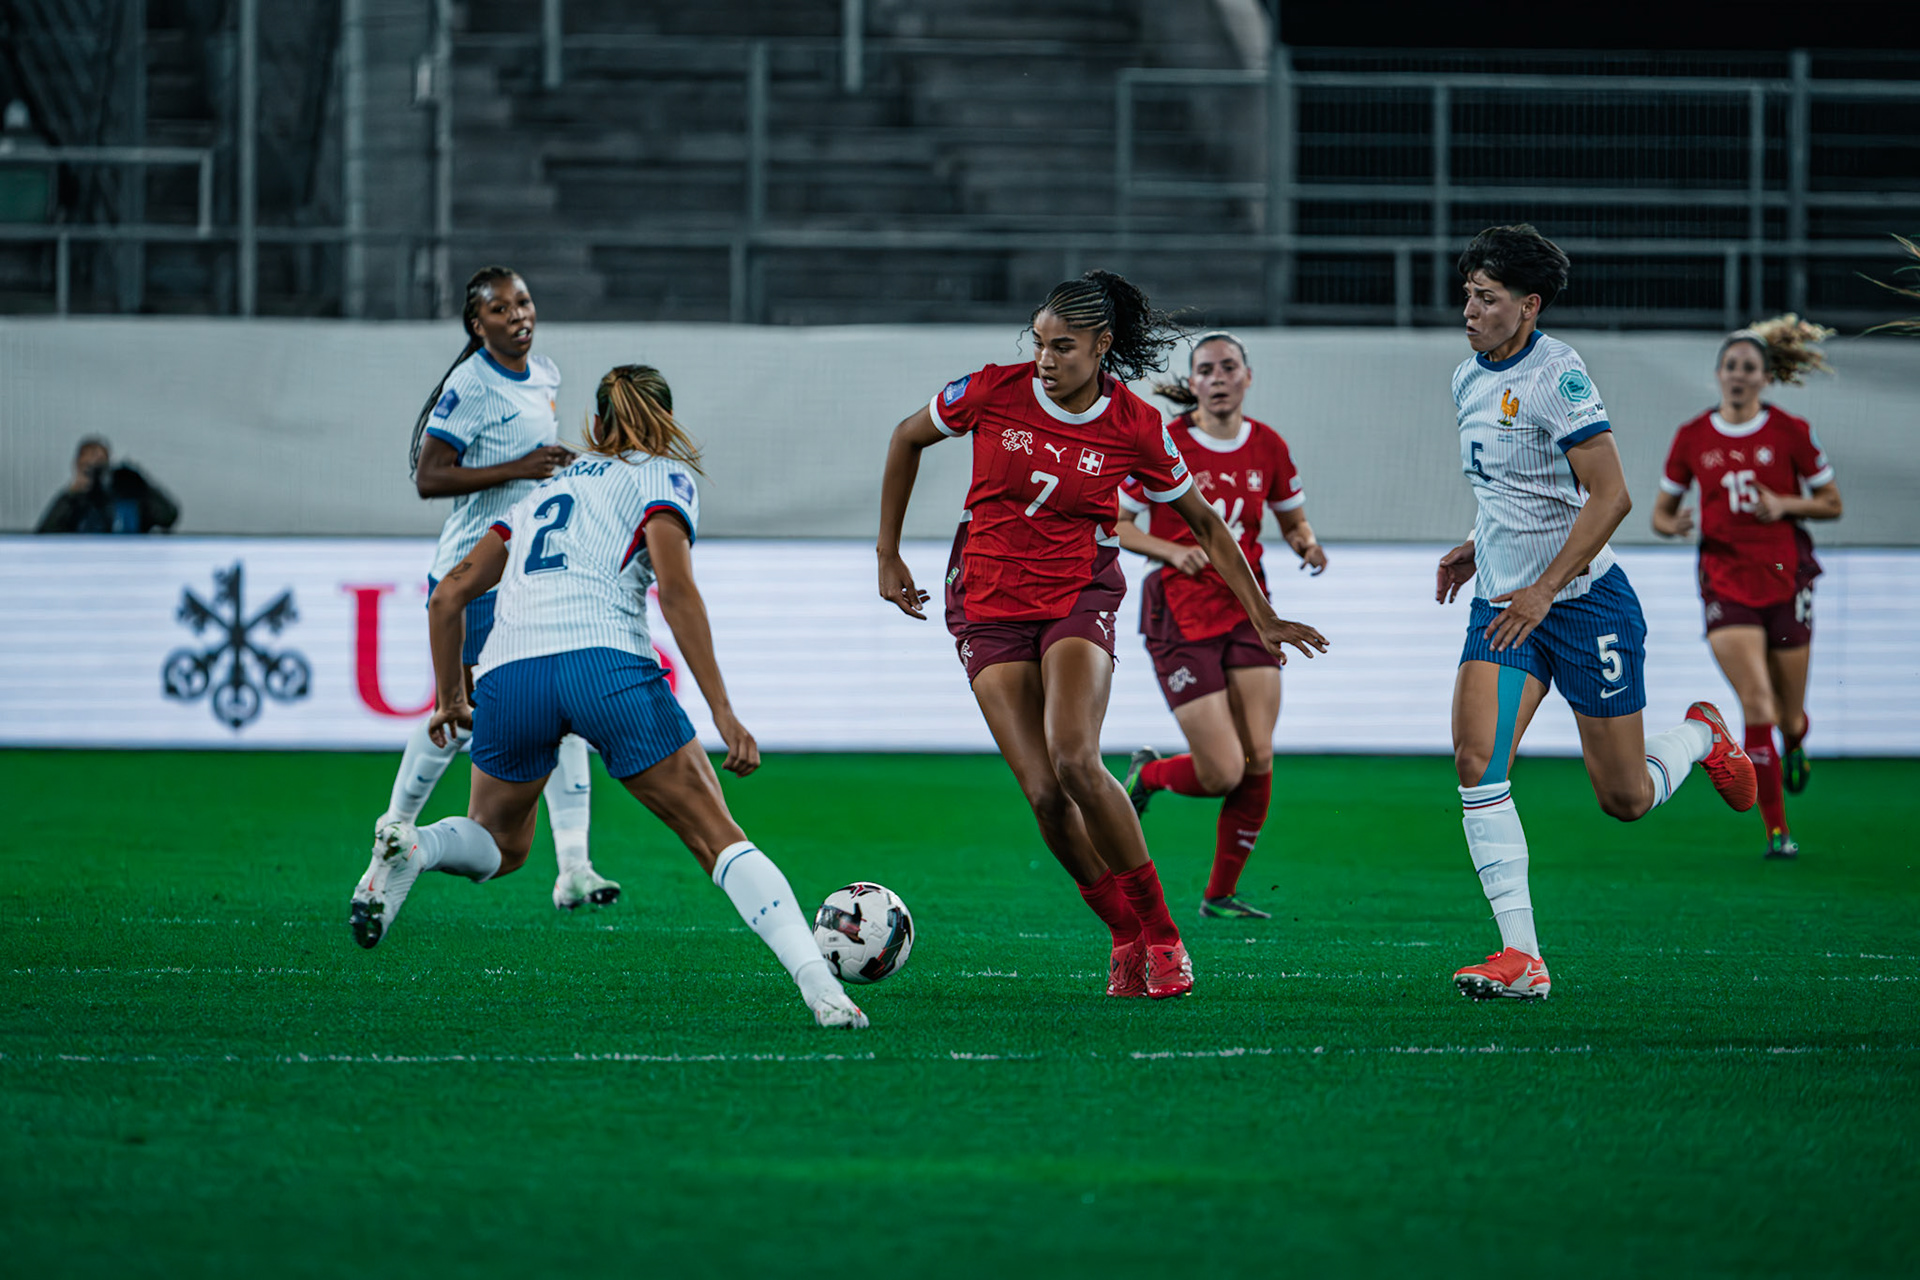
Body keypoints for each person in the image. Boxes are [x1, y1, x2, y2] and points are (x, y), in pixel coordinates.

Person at [348, 365, 868, 1029]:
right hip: (606, 665)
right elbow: (675, 591)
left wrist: (452, 696)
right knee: (717, 838)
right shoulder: (663, 476)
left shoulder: (539, 492)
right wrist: (724, 711)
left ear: (595, 426)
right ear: (666, 422)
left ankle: (417, 846)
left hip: (514, 676)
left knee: (498, 845)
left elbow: (450, 594)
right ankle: (821, 989)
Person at [875, 271, 1328, 1000]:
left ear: (1102, 346)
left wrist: (1263, 615)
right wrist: (887, 551)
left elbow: (1207, 525)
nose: (1045, 359)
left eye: (1063, 347)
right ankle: (1122, 933)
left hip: (1077, 594)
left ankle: (1164, 936)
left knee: (1077, 760)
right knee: (1046, 796)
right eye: (1039, 343)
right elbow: (906, 437)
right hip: (987, 600)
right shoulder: (992, 389)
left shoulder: (1134, 426)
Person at [1437, 224, 1757, 1002]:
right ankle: (1523, 957)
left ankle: (1702, 734)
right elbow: (1514, 490)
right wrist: (1476, 543)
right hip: (1504, 608)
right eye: (1469, 295)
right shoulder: (1466, 377)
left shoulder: (1560, 376)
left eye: (1486, 298)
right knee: (1478, 764)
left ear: (1529, 305)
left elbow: (1612, 497)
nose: (1470, 310)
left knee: (1625, 800)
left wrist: (1546, 588)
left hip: (1583, 606)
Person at [369, 265, 616, 913]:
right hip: (472, 578)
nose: (520, 316)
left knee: (554, 714)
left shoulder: (547, 374)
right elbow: (430, 477)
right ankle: (394, 827)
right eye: (502, 310)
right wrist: (523, 468)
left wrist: (552, 470)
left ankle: (574, 866)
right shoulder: (470, 384)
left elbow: (525, 466)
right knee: (465, 713)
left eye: (526, 302)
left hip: (525, 576)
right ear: (478, 325)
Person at [1113, 331, 1328, 920]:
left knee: (1258, 755)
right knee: (1221, 770)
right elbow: (1117, 524)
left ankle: (1219, 895)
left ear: (1247, 377)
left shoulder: (1271, 448)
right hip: (1177, 613)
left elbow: (1294, 521)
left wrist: (1307, 545)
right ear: (1195, 382)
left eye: (1228, 366)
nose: (1218, 377)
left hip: (1249, 611)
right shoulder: (1167, 444)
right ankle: (1149, 775)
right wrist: (1167, 549)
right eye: (1205, 369)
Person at [1651, 317, 1842, 860]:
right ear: (1718, 375)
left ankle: (1797, 739)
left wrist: (1785, 505)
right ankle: (1777, 831)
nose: (1738, 376)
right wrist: (1676, 524)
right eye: (1731, 367)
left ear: (1765, 378)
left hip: (1787, 579)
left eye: (1749, 368)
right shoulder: (1693, 437)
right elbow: (1660, 516)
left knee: (1787, 714)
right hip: (1725, 581)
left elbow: (1832, 503)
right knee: (1755, 703)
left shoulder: (1791, 432)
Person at [35, 436, 179, 533]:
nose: (95, 471)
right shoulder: (72, 503)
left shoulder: (128, 499)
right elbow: (45, 536)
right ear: (77, 466)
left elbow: (168, 518)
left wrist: (143, 486)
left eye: (100, 464)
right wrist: (73, 493)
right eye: (88, 466)